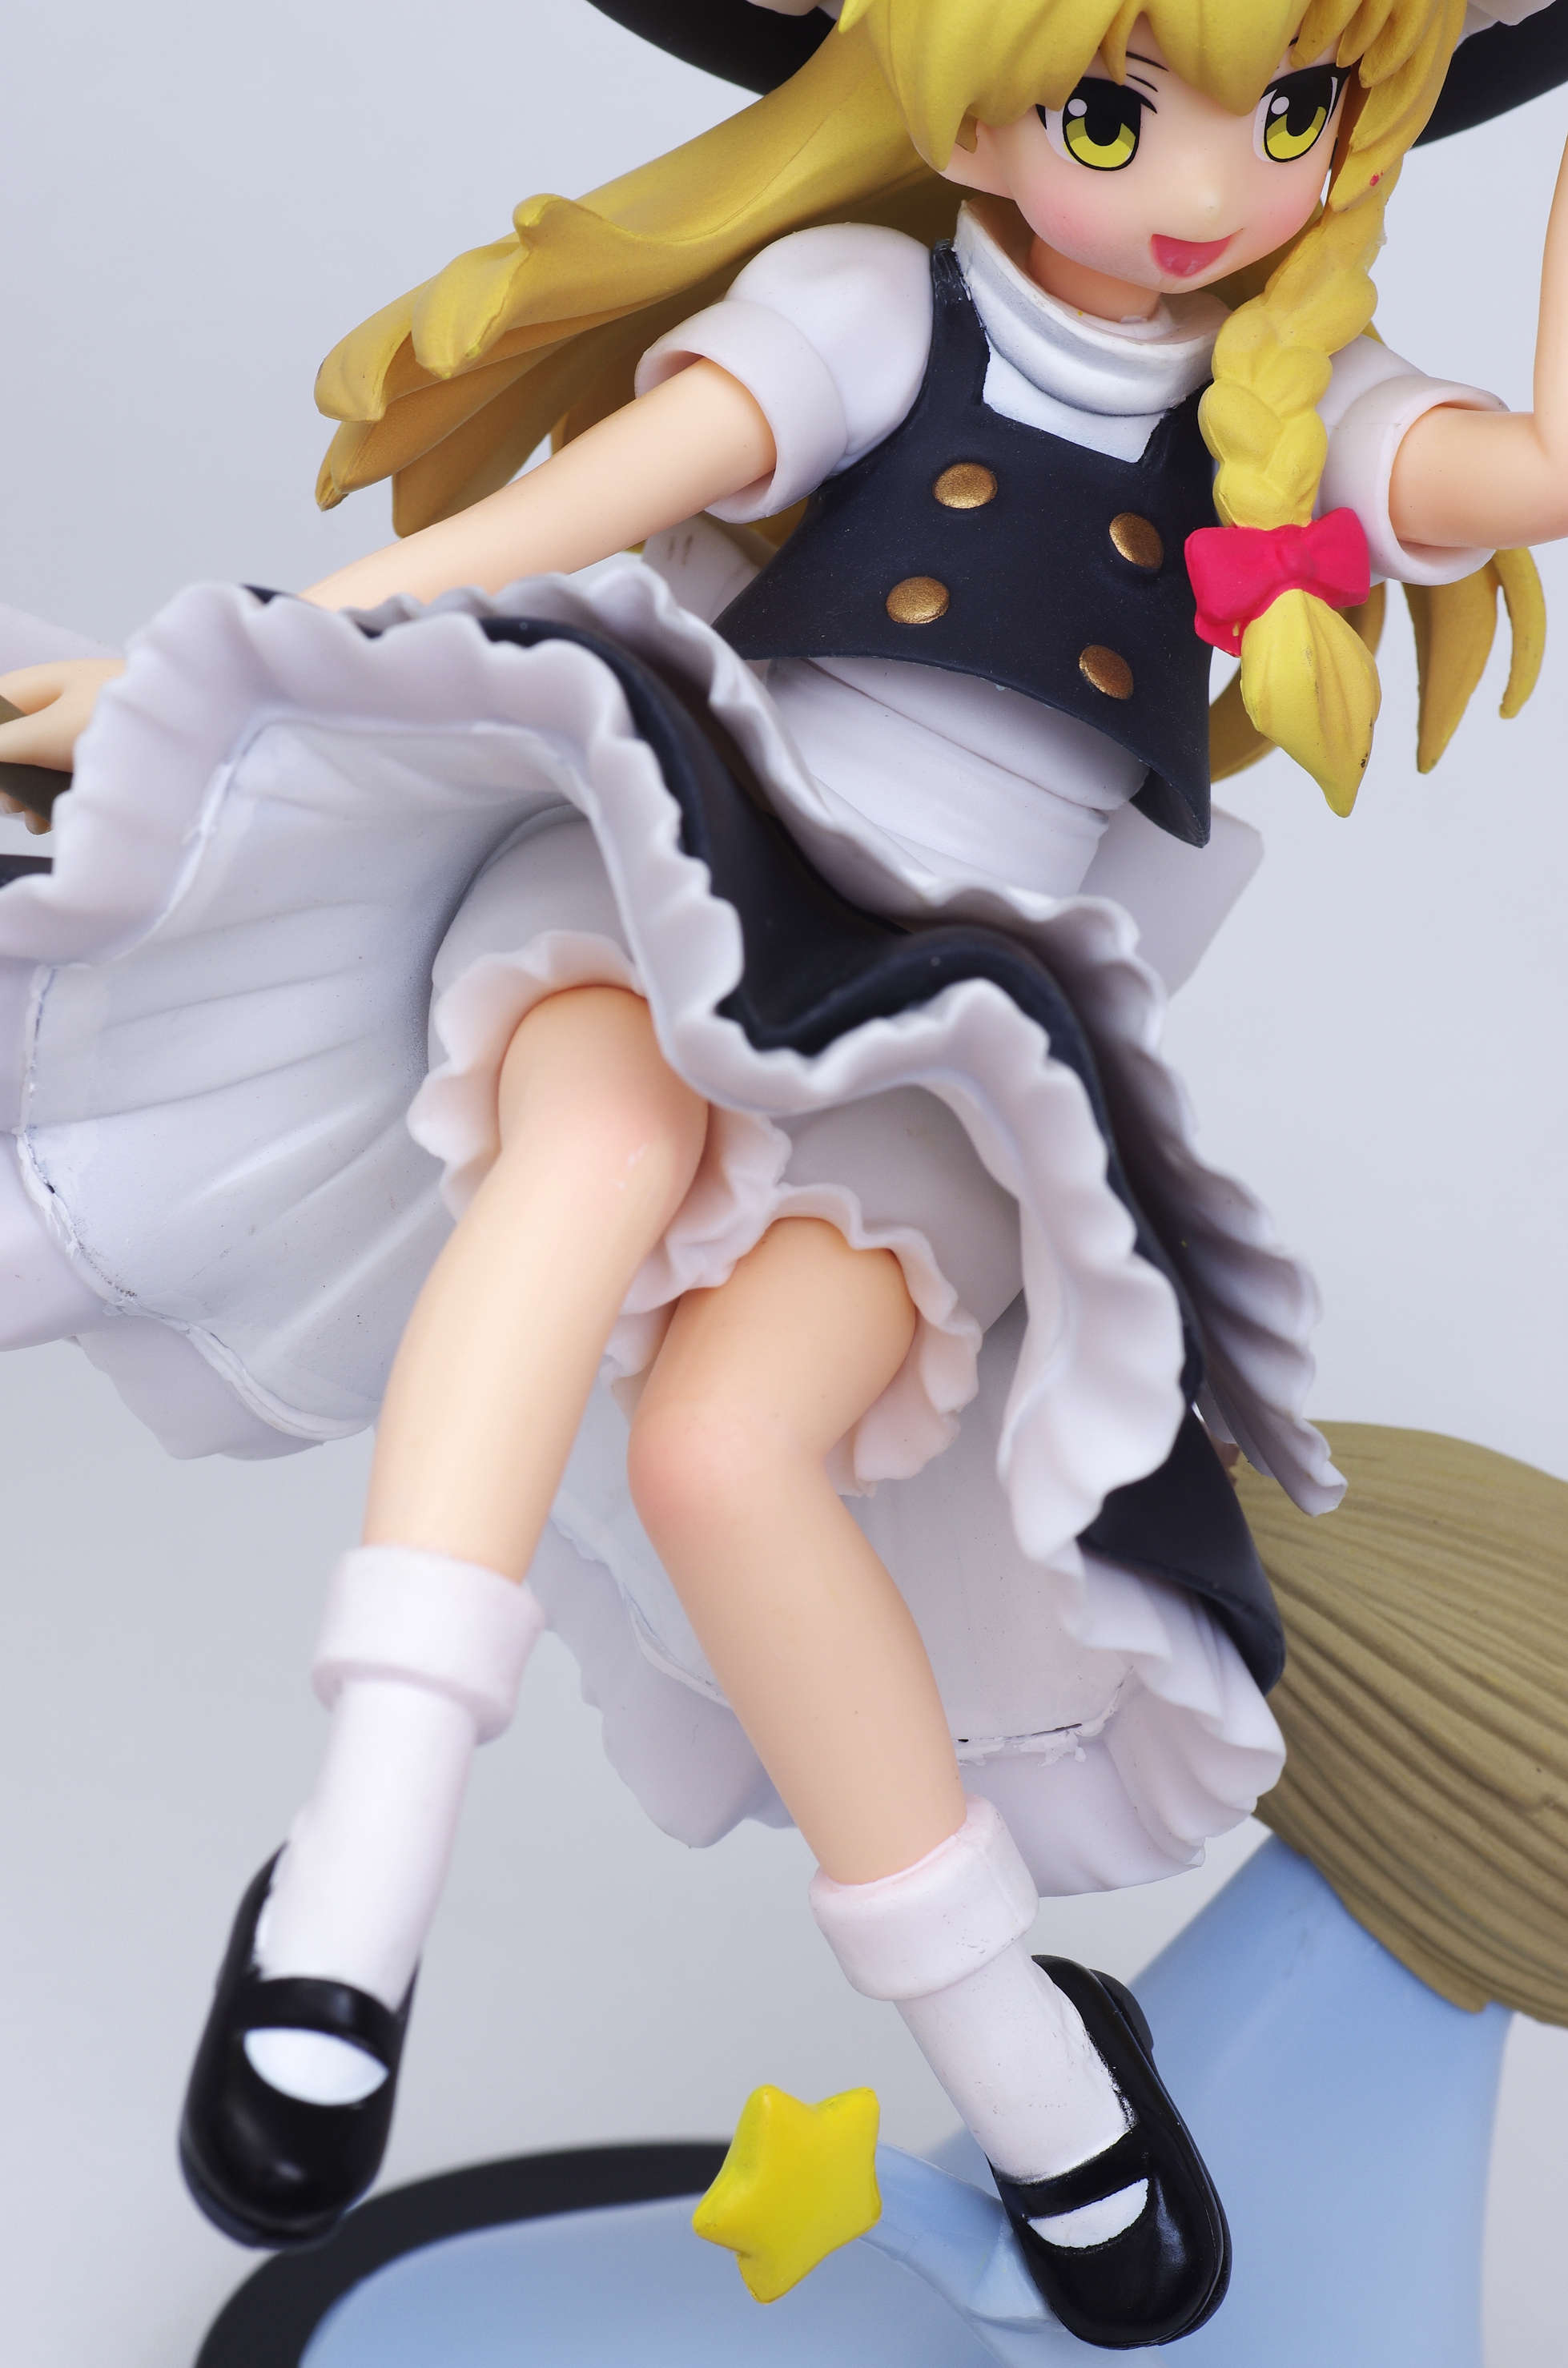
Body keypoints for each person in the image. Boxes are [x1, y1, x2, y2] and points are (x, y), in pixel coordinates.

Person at [0, 0, 1562, 2346]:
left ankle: (1023, 2060)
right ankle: (354, 1886)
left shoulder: (1302, 408)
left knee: (735, 1456)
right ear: (969, 97)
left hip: (956, 1025)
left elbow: (1537, 473)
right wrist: (202, 672)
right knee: (589, 1150)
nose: (1201, 189)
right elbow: (530, 533)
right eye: (1114, 110)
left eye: (1293, 113)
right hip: (695, 866)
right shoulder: (869, 308)